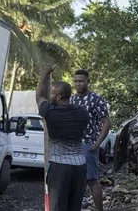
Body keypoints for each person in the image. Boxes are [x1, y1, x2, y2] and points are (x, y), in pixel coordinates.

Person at [35, 65, 89, 211]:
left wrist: (44, 74)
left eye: (53, 94)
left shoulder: (50, 112)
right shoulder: (83, 113)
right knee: (74, 207)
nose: (50, 96)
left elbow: (39, 96)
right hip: (80, 167)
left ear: (58, 97)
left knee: (58, 207)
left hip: (60, 167)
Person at [70, 69, 111, 211]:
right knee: (74, 182)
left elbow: (106, 122)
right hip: (73, 146)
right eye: (75, 81)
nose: (78, 84)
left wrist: (97, 144)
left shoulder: (96, 99)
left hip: (88, 145)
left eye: (81, 81)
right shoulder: (72, 99)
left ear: (88, 81)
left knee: (92, 181)